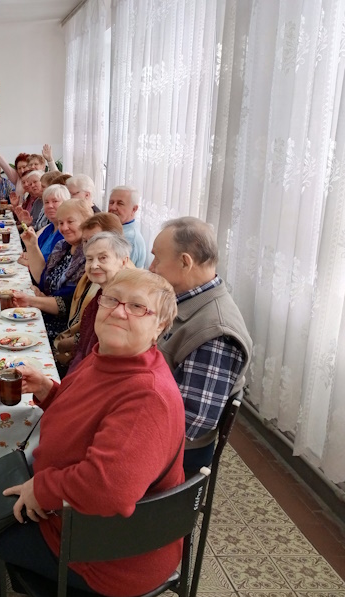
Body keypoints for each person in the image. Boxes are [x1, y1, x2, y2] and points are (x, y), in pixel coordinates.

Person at [0, 269, 185, 597]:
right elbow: (89, 416)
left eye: (136, 307)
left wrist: (41, 489)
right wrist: (48, 390)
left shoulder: (147, 396)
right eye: (112, 300)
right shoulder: (106, 356)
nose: (119, 311)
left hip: (110, 554)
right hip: (82, 518)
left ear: (159, 326)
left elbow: (109, 490)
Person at [149, 217, 252, 472]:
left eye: (157, 259)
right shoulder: (183, 299)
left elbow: (191, 423)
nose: (151, 267)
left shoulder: (215, 332)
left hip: (172, 455)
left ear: (185, 262)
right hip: (151, 420)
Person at [14, 199, 94, 343]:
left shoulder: (90, 256)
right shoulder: (62, 246)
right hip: (44, 314)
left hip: (61, 330)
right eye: (61, 222)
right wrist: (32, 245)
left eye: (70, 222)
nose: (64, 228)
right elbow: (42, 279)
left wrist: (35, 300)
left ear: (86, 222)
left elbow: (67, 305)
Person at [63, 232, 131, 374]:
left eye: (103, 258)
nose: (94, 265)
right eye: (89, 259)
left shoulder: (124, 304)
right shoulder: (103, 292)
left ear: (123, 262)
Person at [108, 185, 147, 268]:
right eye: (111, 202)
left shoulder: (129, 239)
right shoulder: (111, 229)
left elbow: (120, 274)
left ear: (134, 209)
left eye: (120, 203)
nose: (112, 207)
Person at [31, 184, 69, 264]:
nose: (50, 206)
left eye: (55, 201)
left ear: (66, 203)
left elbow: (49, 266)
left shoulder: (66, 232)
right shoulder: (49, 228)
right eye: (46, 202)